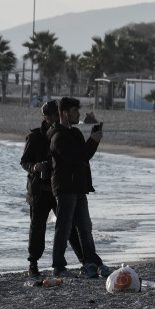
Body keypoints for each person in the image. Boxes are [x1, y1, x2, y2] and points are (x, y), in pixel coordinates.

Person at [20, 100, 85, 277]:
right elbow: (24, 162)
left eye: (59, 115)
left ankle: (84, 261)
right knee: (37, 228)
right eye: (55, 116)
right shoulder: (34, 138)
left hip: (58, 188)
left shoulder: (63, 134)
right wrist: (35, 167)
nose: (58, 119)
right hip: (39, 190)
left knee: (69, 226)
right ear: (47, 117)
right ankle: (33, 264)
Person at [48, 97, 111, 278]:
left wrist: (93, 140)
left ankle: (92, 262)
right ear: (66, 113)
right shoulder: (58, 137)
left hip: (79, 187)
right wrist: (92, 140)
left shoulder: (74, 133)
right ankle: (58, 266)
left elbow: (84, 156)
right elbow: (75, 158)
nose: (79, 115)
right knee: (64, 227)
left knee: (85, 227)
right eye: (76, 111)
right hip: (65, 188)